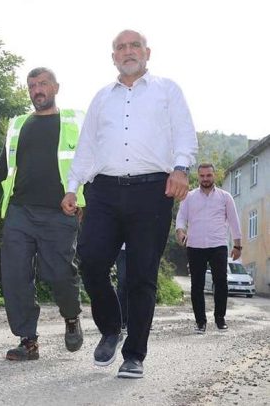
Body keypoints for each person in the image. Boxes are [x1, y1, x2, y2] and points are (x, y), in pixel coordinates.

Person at [61, 29, 198, 379]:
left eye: (134, 45)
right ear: (113, 58)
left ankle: (134, 353)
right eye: (120, 47)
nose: (127, 51)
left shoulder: (168, 90)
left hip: (153, 190)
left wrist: (181, 168)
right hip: (103, 191)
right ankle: (111, 327)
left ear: (147, 52)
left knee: (140, 276)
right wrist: (72, 187)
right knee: (90, 261)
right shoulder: (102, 98)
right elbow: (87, 146)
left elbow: (184, 132)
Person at [0, 67, 84, 361]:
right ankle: (28, 341)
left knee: (60, 273)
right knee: (15, 276)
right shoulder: (19, 125)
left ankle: (71, 316)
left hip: (60, 212)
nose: (37, 90)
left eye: (43, 84)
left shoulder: (73, 123)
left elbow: (90, 162)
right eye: (32, 86)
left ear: (56, 87)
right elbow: (3, 167)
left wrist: (88, 201)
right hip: (20, 211)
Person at [176, 163, 242, 333]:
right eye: (202, 176)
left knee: (220, 282)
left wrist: (237, 245)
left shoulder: (225, 197)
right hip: (195, 245)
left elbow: (234, 221)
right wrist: (180, 232)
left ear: (214, 176)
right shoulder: (189, 197)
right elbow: (181, 218)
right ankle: (200, 322)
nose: (205, 179)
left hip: (218, 245)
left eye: (209, 175)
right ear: (198, 177)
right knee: (196, 285)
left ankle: (220, 319)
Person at [115, 244, 127, 332]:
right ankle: (121, 319)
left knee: (138, 283)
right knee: (122, 282)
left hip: (139, 246)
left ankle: (139, 320)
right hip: (122, 249)